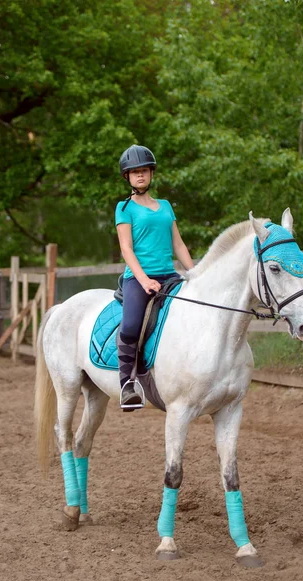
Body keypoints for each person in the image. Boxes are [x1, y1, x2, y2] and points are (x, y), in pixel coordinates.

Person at [115, 144, 194, 410]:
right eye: (134, 172)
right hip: (138, 277)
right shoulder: (124, 208)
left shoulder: (165, 207)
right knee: (131, 325)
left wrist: (195, 273)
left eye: (144, 171)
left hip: (170, 275)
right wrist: (144, 280)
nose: (140, 176)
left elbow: (179, 245)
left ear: (151, 174)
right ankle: (127, 383)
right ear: (127, 176)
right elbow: (126, 249)